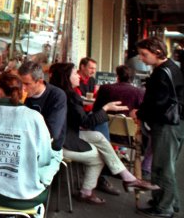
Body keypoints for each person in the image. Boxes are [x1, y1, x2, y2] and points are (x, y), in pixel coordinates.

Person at [49, 63, 159, 205]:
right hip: (63, 140)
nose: (77, 76)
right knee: (100, 155)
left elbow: (83, 117)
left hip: (64, 134)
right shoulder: (70, 96)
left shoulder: (56, 92)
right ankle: (87, 191)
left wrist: (101, 110)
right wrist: (106, 108)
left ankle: (128, 178)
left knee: (99, 137)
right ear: (66, 77)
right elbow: (86, 122)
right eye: (74, 73)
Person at [0, 73, 61, 211]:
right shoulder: (35, 117)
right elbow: (44, 160)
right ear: (23, 92)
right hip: (27, 197)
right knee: (57, 155)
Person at [136, 37, 184, 218]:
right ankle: (168, 202)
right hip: (174, 123)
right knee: (165, 164)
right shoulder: (171, 68)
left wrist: (140, 113)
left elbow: (159, 102)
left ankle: (164, 207)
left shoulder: (163, 72)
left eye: (144, 54)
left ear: (157, 52)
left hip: (168, 124)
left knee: (163, 166)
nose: (141, 58)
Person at [18, 61, 67, 152]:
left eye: (27, 84)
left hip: (50, 149)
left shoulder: (57, 96)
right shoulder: (18, 94)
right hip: (24, 146)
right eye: (20, 83)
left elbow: (52, 133)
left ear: (40, 81)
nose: (22, 88)